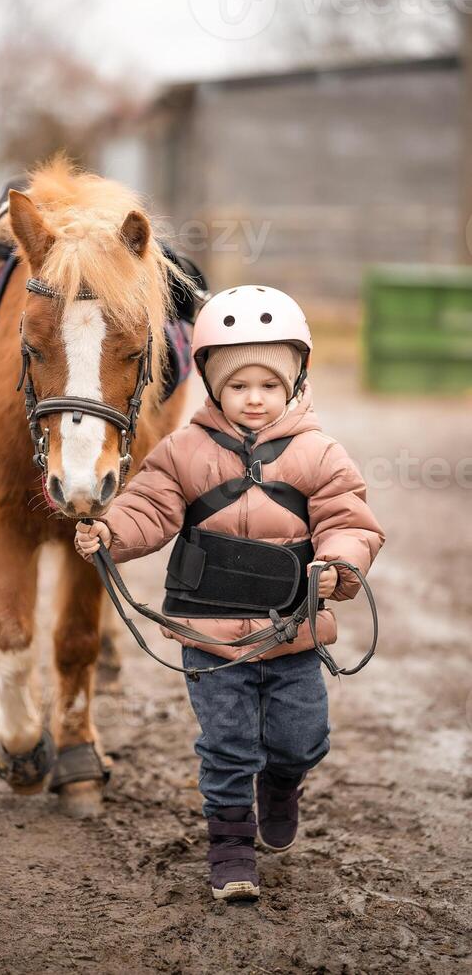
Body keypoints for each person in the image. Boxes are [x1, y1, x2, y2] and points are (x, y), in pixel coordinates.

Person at [75, 284, 385, 902]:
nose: (254, 398)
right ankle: (231, 851)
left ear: (295, 381)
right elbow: (151, 507)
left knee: (302, 739)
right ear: (214, 386)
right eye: (239, 385)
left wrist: (338, 566)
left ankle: (283, 782)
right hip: (206, 634)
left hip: (290, 631)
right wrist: (111, 530)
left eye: (269, 385)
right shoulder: (183, 451)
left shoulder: (319, 454)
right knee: (226, 745)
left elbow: (349, 522)